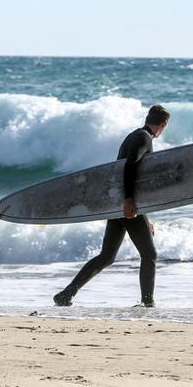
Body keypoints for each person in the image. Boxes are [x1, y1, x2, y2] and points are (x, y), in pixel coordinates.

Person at [53, 105, 171, 308]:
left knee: (106, 256)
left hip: (118, 203)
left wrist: (143, 214)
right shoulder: (144, 138)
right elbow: (130, 167)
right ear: (163, 124)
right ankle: (147, 303)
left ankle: (66, 294)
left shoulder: (135, 135)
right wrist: (128, 201)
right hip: (125, 204)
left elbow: (134, 176)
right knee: (149, 255)